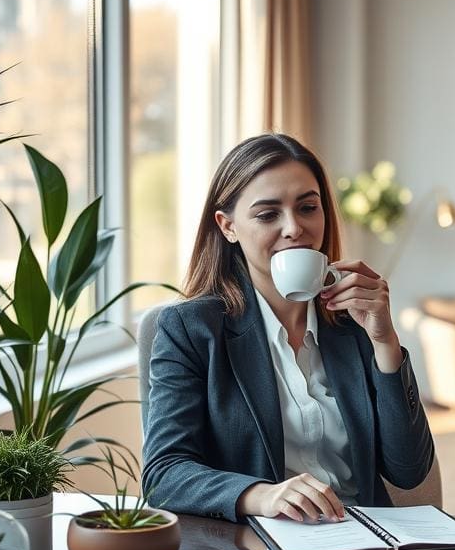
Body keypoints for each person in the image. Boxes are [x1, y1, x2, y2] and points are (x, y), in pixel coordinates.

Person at [141, 134, 435, 523]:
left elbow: (409, 470)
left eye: (308, 207)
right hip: (258, 542)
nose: (294, 228)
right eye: (268, 215)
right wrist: (260, 496)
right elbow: (163, 475)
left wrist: (385, 343)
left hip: (363, 537)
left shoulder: (354, 322)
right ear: (228, 227)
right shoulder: (192, 329)